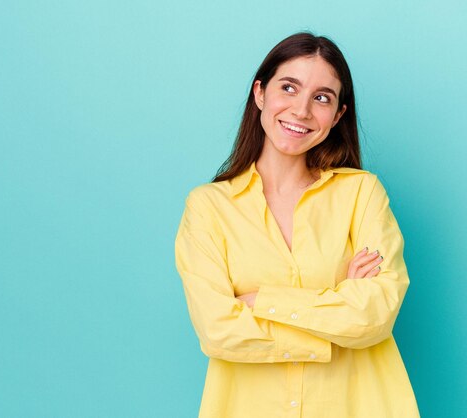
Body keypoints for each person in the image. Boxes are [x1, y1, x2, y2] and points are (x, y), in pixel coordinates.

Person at [174, 32, 420, 418]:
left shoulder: (362, 194)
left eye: (322, 97)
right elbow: (218, 330)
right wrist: (337, 306)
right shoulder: (208, 207)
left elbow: (375, 314)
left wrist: (263, 303)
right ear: (260, 94)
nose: (302, 110)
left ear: (338, 114)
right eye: (289, 87)